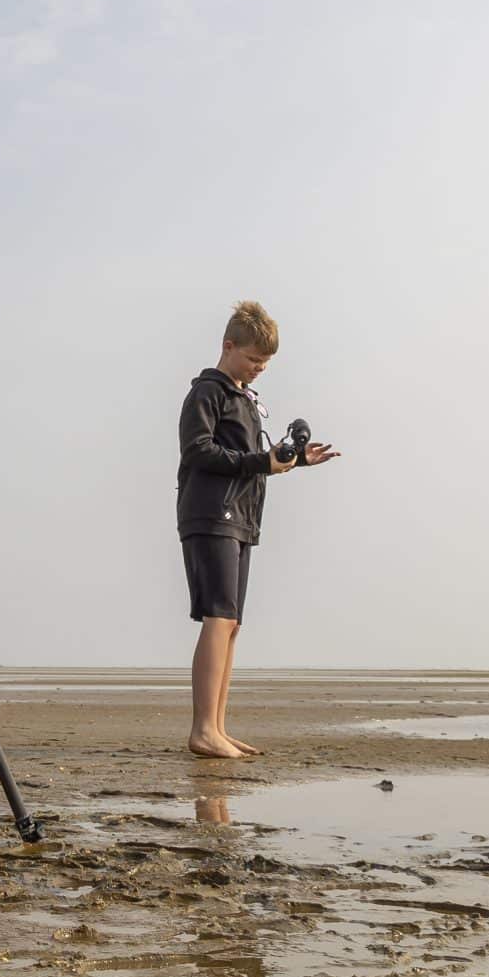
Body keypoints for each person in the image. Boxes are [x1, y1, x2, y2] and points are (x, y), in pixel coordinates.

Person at [176, 301, 335, 759]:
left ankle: (217, 728)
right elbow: (197, 452)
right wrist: (260, 462)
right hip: (211, 515)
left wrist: (295, 460)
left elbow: (251, 461)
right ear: (228, 346)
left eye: (265, 363)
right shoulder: (207, 394)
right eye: (252, 360)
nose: (260, 369)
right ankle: (203, 729)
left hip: (241, 517)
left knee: (233, 624)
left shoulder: (243, 398)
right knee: (218, 617)